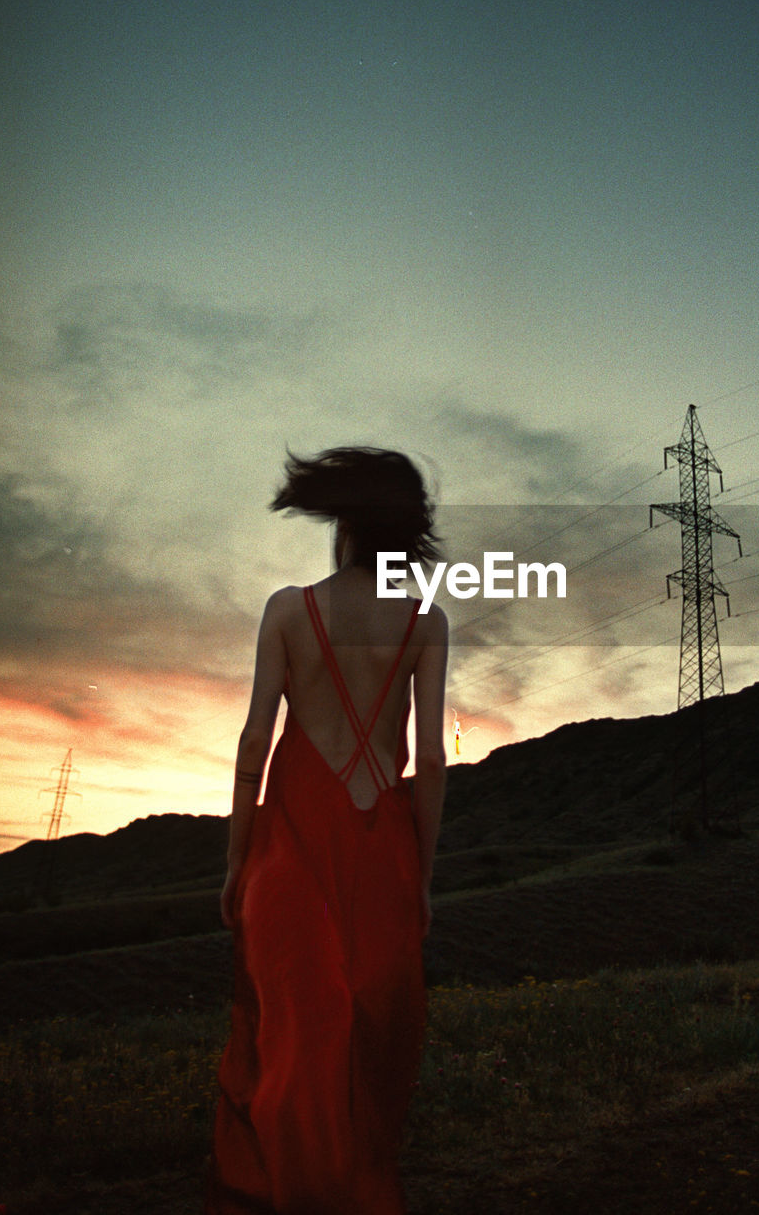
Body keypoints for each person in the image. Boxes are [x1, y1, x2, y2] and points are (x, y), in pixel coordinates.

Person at [206, 447, 448, 1215]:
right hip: (385, 847)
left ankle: (289, 1187)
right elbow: (434, 759)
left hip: (292, 845)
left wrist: (238, 860)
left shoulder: (288, 609)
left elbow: (254, 741)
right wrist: (425, 878)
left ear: (344, 522)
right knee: (375, 1034)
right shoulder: (425, 622)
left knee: (289, 1034)